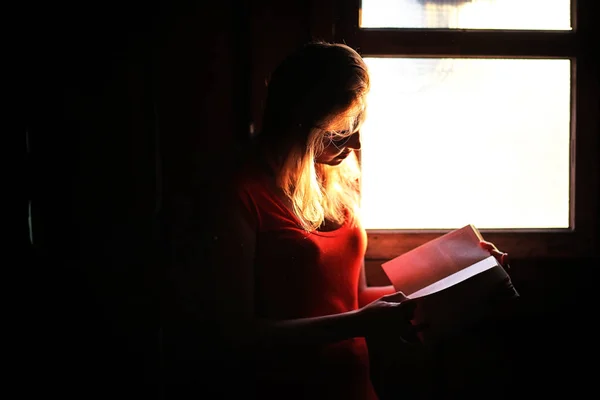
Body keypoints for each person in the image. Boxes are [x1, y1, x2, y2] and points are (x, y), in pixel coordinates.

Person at [200, 41, 511, 400]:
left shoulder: (336, 180)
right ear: (299, 121)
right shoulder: (239, 195)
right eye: (339, 131)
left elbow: (354, 297)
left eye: (357, 125)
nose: (357, 143)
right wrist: (360, 323)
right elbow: (236, 335)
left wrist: (460, 277)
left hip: (355, 386)